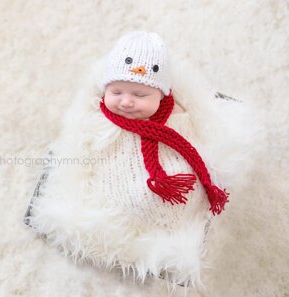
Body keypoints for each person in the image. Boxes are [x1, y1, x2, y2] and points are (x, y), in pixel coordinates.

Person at [26, 30, 238, 292]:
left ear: (162, 95)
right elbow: (84, 147)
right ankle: (128, 225)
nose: (126, 102)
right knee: (111, 199)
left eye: (140, 95)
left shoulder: (175, 114)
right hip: (115, 173)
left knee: (181, 191)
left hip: (169, 180)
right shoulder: (101, 118)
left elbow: (191, 137)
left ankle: (163, 230)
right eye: (116, 91)